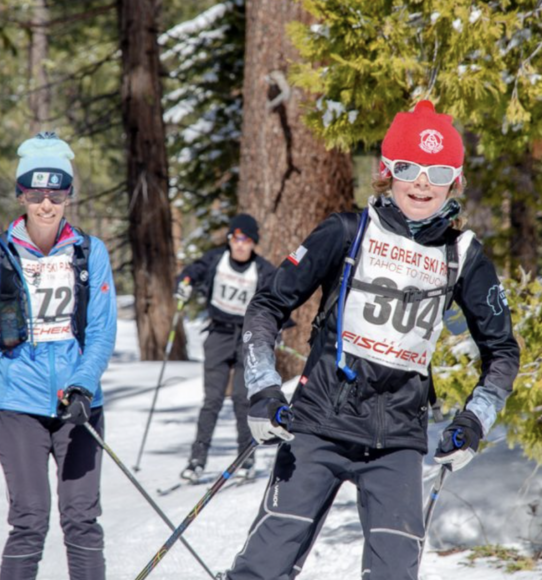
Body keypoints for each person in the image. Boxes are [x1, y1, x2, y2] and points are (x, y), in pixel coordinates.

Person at [226, 101, 520, 580]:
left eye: (438, 170)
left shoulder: (463, 255)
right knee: (262, 569)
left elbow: (503, 352)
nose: (422, 182)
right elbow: (266, 308)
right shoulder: (346, 231)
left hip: (397, 442)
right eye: (409, 168)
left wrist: (474, 420)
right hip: (317, 426)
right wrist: (262, 389)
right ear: (387, 171)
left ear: (455, 180)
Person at [0, 132, 117, 580]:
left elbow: (103, 330)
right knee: (30, 520)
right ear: (21, 194)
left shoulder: (90, 252)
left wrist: (84, 384)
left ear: (69, 195)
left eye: (56, 193)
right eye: (35, 193)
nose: (46, 205)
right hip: (18, 406)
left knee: (82, 521)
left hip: (81, 405)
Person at [176, 214, 276, 482]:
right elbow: (190, 273)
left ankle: (245, 459)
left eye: (247, 240)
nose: (240, 245)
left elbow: (278, 300)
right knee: (212, 400)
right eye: (236, 238)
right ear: (230, 239)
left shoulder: (263, 269)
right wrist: (183, 285)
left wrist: (277, 329)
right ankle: (197, 461)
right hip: (218, 334)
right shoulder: (216, 259)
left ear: (254, 243)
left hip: (247, 338)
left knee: (243, 400)